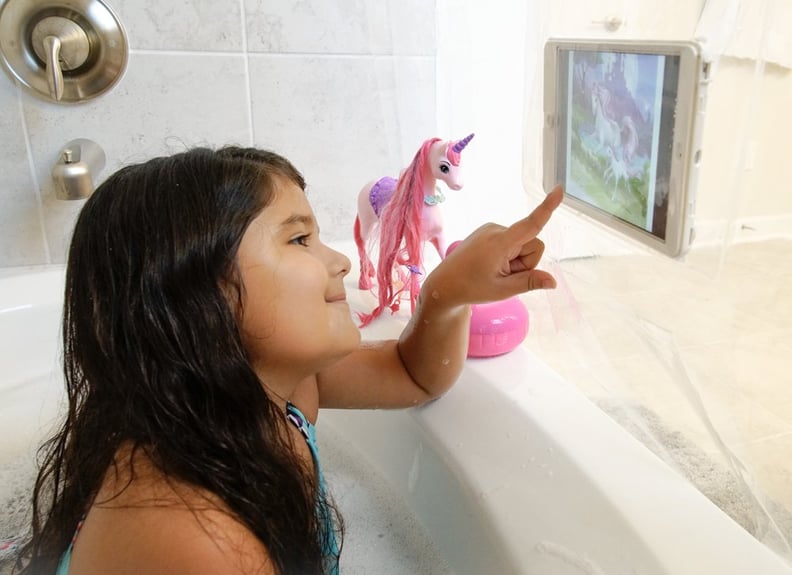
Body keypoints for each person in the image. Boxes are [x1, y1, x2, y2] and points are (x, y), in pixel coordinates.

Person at [17, 146, 563, 575]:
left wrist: (447, 291)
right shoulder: (196, 535)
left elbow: (412, 376)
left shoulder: (284, 386)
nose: (341, 261)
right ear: (196, 299)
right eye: (300, 239)